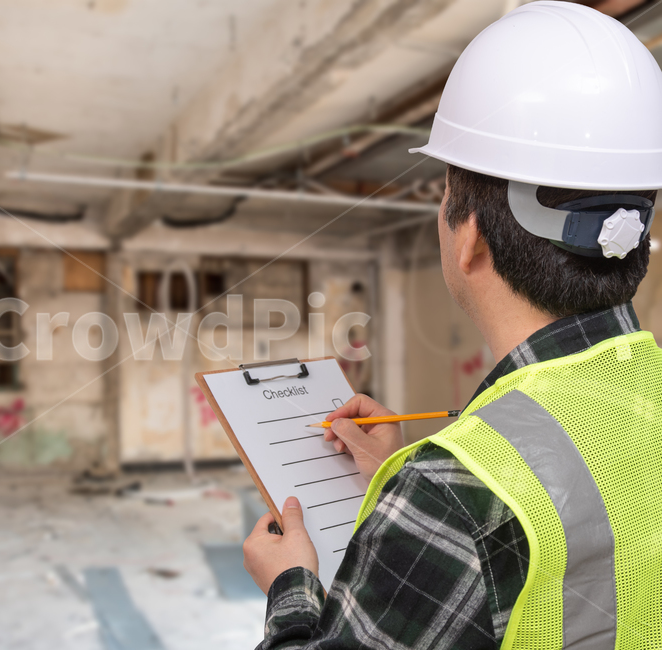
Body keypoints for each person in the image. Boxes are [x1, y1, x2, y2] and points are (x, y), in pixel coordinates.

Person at [242, 2, 662, 648]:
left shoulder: (452, 490)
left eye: (441, 197)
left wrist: (290, 587)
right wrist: (406, 478)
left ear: (466, 237)